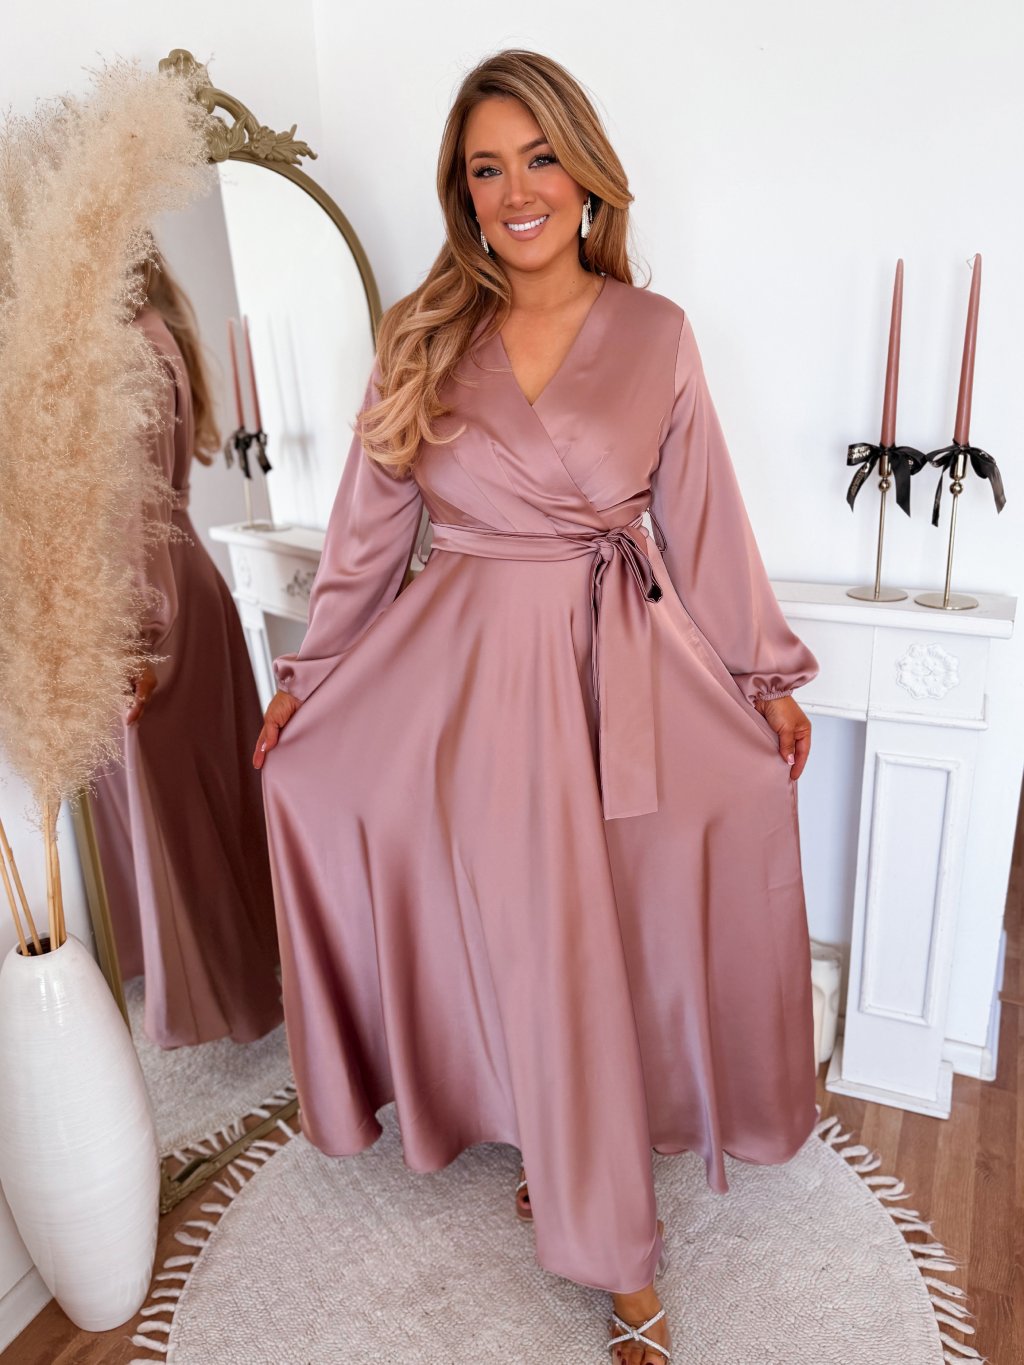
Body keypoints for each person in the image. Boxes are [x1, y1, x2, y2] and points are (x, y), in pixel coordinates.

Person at [254, 49, 819, 1363]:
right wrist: (307, 683)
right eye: (486, 169)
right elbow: (366, 536)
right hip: (463, 685)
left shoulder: (656, 331)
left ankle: (594, 1184)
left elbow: (704, 524)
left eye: (540, 158)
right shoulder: (423, 332)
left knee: (601, 941)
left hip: (616, 673)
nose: (517, 192)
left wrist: (763, 677)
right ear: (462, 191)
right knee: (519, 941)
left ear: (587, 171)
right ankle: (598, 1222)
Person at [90, 245, 284, 1050]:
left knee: (182, 816)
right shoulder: (153, 331)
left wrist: (137, 634)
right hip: (181, 587)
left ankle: (227, 996)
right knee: (201, 805)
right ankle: (239, 979)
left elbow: (135, 514)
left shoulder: (131, 349)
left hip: (162, 601)